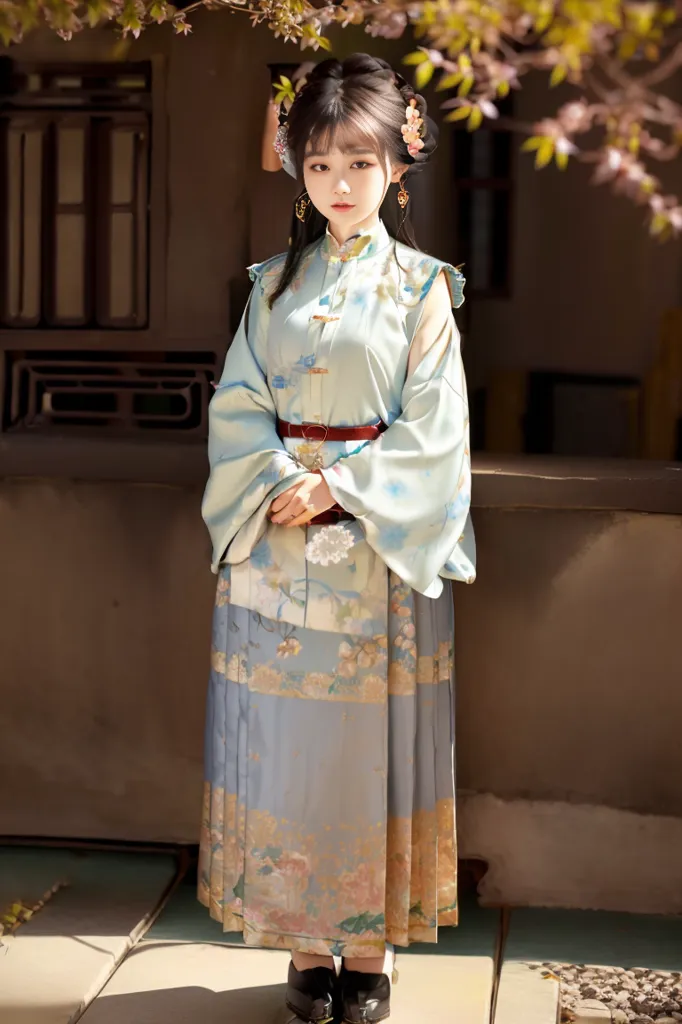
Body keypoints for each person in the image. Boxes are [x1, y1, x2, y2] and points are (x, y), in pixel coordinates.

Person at [198, 53, 476, 1024]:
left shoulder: (421, 292)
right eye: (319, 166)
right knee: (292, 750)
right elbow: (236, 406)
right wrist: (281, 480)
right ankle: (306, 946)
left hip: (373, 553)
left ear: (400, 166)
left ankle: (370, 948)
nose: (339, 186)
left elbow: (438, 429)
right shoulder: (271, 287)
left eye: (359, 164)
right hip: (277, 548)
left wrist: (341, 487)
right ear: (296, 170)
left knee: (368, 751)